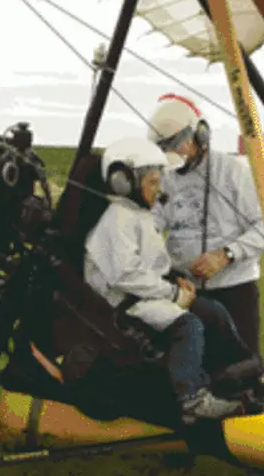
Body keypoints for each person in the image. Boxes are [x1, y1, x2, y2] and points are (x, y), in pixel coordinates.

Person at [84, 136, 242, 424]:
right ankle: (191, 399)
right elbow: (125, 274)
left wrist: (175, 280)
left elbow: (152, 264)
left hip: (148, 294)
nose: (160, 190)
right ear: (125, 182)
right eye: (153, 182)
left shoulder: (137, 214)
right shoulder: (117, 219)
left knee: (213, 312)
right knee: (188, 325)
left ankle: (239, 375)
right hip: (127, 304)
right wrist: (171, 293)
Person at [145, 93, 264, 402]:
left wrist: (226, 255)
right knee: (203, 370)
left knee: (243, 368)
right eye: (168, 150)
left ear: (200, 134)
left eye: (179, 145)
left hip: (235, 285)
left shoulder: (234, 171)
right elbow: (152, 225)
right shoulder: (167, 178)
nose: (177, 155)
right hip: (187, 288)